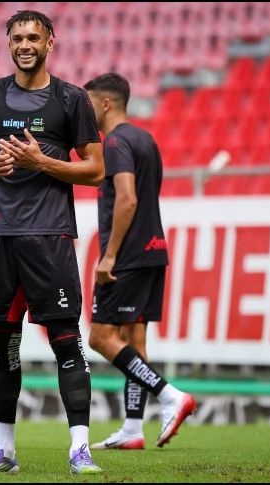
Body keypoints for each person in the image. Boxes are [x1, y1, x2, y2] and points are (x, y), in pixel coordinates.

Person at [0, 10, 105, 475]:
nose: (25, 44)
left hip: (49, 237)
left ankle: (80, 449)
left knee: (66, 342)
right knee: (0, 346)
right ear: (8, 43)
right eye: (17, 36)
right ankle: (4, 451)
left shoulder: (71, 98)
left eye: (33, 37)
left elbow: (96, 168)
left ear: (50, 42)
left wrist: (42, 162)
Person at [83, 73, 196, 450]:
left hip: (127, 256)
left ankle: (169, 396)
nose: (85, 111)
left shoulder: (114, 142)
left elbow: (128, 199)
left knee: (100, 337)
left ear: (105, 104)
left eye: (88, 103)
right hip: (154, 249)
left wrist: (110, 254)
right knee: (133, 339)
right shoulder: (145, 139)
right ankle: (133, 429)